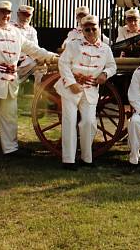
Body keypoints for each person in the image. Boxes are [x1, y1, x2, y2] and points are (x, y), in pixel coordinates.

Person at [0, 0, 57, 159]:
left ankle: (11, 149)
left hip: (9, 81)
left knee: (9, 115)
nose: (5, 15)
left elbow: (32, 49)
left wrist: (51, 56)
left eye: (8, 12)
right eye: (2, 12)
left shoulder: (15, 32)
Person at [55, 14, 116, 170]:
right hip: (70, 88)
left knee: (89, 122)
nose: (90, 31)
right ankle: (68, 160)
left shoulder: (105, 48)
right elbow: (63, 63)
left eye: (93, 28)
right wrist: (71, 83)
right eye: (86, 29)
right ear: (81, 30)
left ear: (98, 29)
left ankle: (86, 158)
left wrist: (105, 74)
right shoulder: (73, 45)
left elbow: (112, 66)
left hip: (90, 90)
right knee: (69, 122)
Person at [13, 4, 39, 82]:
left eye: (28, 15)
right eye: (23, 15)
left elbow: (35, 48)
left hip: (24, 62)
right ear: (18, 14)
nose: (26, 18)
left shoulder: (32, 31)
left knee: (36, 64)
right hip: (10, 59)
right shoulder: (9, 27)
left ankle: (17, 80)